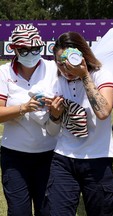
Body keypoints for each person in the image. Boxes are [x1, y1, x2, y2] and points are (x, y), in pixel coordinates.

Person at [44, 31, 113, 216]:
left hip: (97, 159)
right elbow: (52, 132)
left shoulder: (101, 75)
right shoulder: (56, 81)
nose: (65, 69)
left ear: (82, 57)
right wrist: (54, 115)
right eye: (60, 64)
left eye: (70, 63)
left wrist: (84, 75)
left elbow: (103, 112)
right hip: (63, 158)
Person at [0, 24, 58, 216]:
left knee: (47, 210)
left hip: (49, 154)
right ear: (14, 49)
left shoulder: (52, 68)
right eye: (25, 49)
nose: (31, 53)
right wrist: (23, 108)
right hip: (14, 157)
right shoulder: (4, 73)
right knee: (18, 212)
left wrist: (57, 107)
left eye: (36, 49)